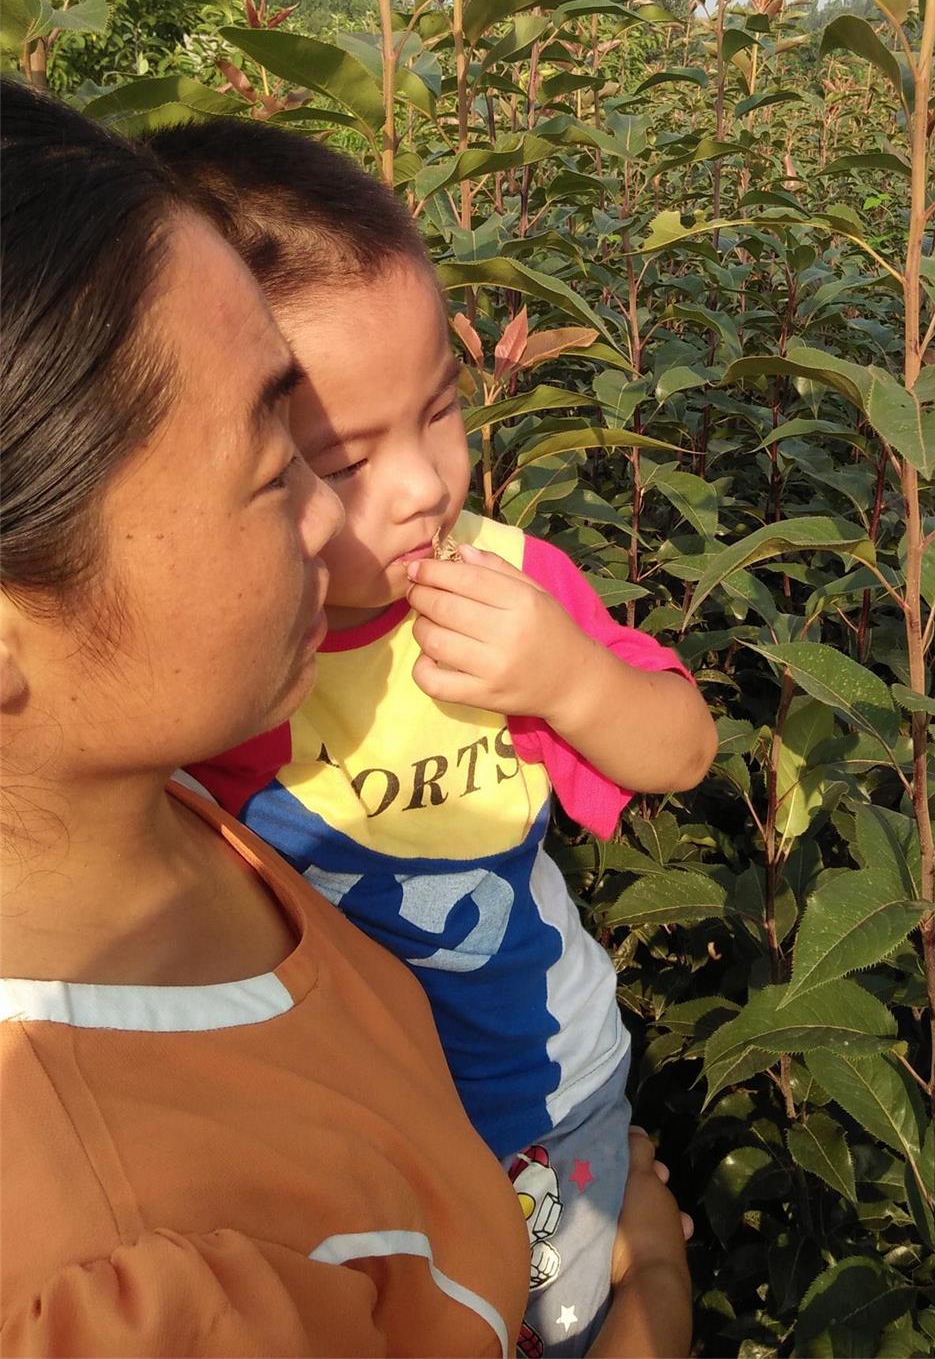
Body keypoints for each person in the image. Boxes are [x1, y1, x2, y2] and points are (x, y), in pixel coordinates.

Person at [0, 81, 692, 1359]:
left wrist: (573, 682)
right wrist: (651, 1283)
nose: (382, 506)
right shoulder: (138, 1275)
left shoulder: (164, 807)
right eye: (288, 467)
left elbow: (673, 740)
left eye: (440, 405)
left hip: (556, 1098)